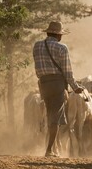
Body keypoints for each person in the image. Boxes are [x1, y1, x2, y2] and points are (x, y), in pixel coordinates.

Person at [33, 21, 84, 157]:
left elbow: (37, 68)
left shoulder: (37, 46)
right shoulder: (62, 48)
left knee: (50, 114)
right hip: (57, 84)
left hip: (43, 84)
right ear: (58, 35)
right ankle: (49, 150)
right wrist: (76, 87)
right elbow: (67, 72)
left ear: (48, 32)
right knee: (55, 118)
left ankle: (52, 148)